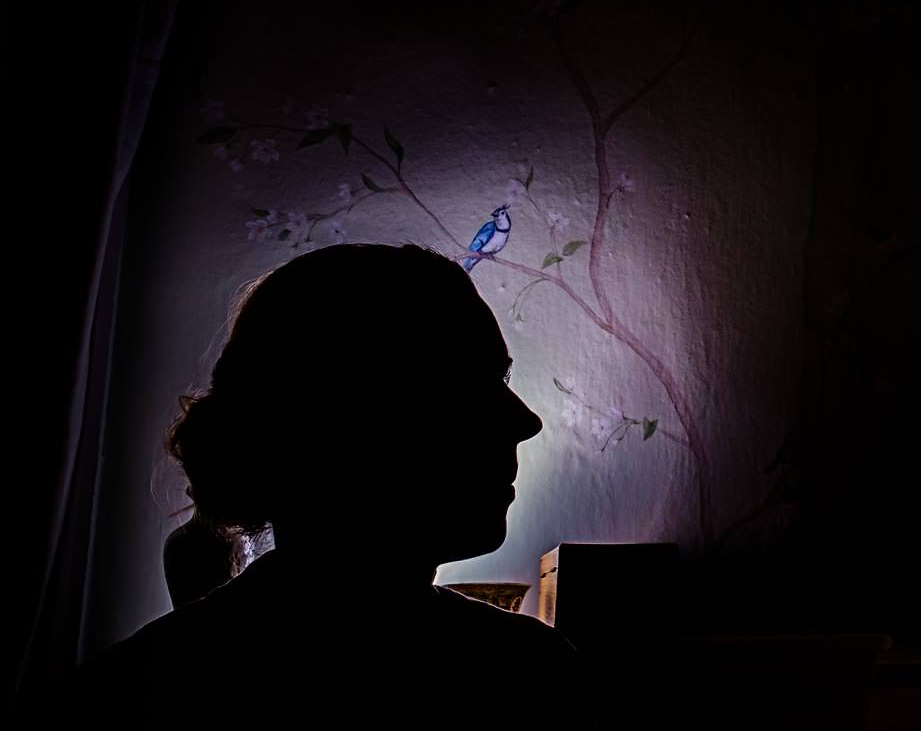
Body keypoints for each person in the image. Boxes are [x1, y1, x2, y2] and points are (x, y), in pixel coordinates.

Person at [38, 242, 590, 716]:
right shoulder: (526, 683)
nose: (525, 420)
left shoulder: (125, 690)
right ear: (343, 417)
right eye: (470, 382)